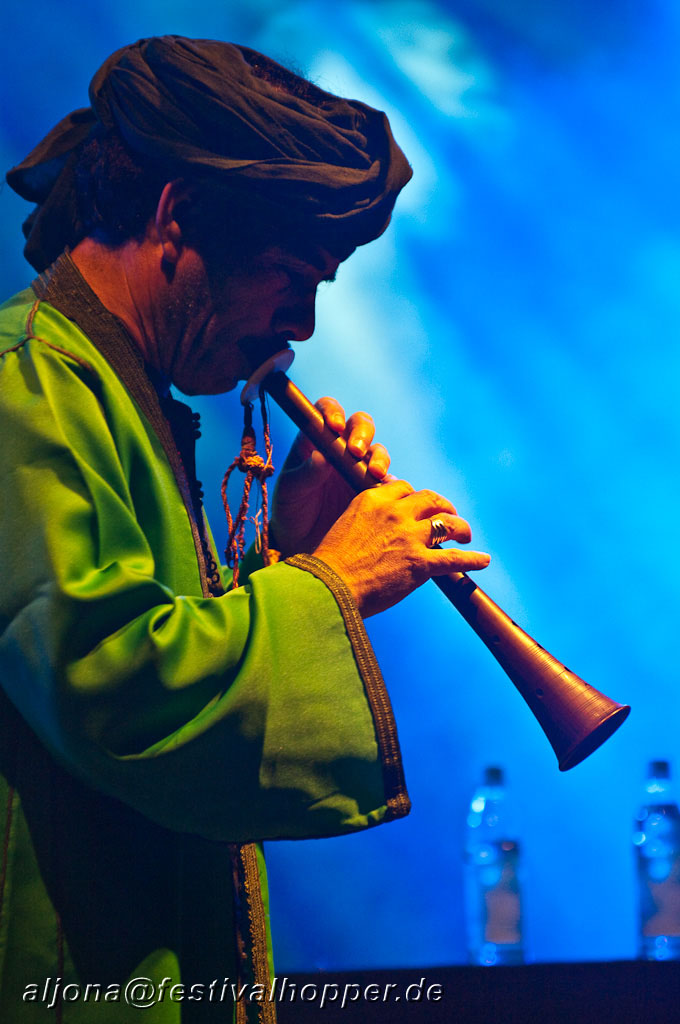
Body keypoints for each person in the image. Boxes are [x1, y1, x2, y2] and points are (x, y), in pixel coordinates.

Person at [0, 37, 490, 1023]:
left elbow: (149, 641)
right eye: (286, 275)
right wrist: (329, 589)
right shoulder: (25, 383)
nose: (300, 326)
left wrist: (294, 552)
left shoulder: (111, 392)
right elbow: (109, 688)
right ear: (176, 219)